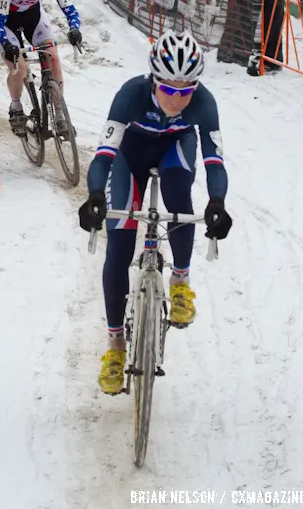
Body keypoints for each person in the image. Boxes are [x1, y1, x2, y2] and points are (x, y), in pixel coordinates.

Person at [78, 30, 232, 394]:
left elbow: (214, 161)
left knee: (179, 193)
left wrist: (218, 202)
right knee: (119, 242)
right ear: (154, 79)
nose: (178, 99)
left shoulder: (204, 103)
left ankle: (180, 280)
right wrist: (96, 194)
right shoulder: (130, 94)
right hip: (131, 155)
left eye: (186, 90)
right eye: (169, 89)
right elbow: (104, 154)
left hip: (175, 149)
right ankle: (116, 347)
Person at [0, 0, 82, 136]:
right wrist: (7, 44)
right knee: (20, 68)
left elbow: (70, 10)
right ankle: (16, 107)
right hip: (7, 22)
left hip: (33, 16)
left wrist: (75, 29)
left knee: (53, 57)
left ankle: (59, 116)